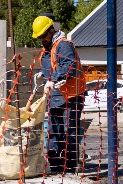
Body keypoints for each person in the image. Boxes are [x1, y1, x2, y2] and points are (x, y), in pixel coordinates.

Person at [30, 14, 87, 174]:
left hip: (72, 96)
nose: (41, 39)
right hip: (55, 97)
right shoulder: (47, 49)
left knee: (69, 130)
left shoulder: (63, 45)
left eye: (42, 36)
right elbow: (53, 66)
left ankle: (69, 166)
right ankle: (55, 165)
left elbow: (68, 65)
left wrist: (54, 79)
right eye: (39, 37)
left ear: (51, 31)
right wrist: (43, 73)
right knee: (55, 131)